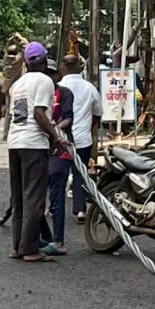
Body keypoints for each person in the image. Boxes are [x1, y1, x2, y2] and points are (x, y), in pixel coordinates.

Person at [6, 41, 65, 262]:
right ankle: (30, 249)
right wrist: (57, 137)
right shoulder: (44, 81)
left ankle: (17, 246)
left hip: (15, 142)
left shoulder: (17, 84)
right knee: (34, 198)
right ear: (43, 61)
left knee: (19, 197)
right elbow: (40, 114)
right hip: (33, 143)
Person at [60, 53, 102, 224]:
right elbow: (98, 113)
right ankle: (80, 211)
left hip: (60, 139)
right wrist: (88, 126)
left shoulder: (58, 86)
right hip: (83, 139)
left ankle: (53, 208)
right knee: (80, 174)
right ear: (80, 67)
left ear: (63, 67)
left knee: (58, 175)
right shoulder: (89, 88)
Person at [42, 58, 74, 256]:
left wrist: (53, 130)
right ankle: (43, 237)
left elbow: (68, 118)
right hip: (39, 148)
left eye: (51, 73)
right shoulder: (37, 92)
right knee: (35, 196)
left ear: (57, 75)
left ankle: (58, 240)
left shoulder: (64, 93)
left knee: (57, 196)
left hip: (60, 148)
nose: (48, 77)